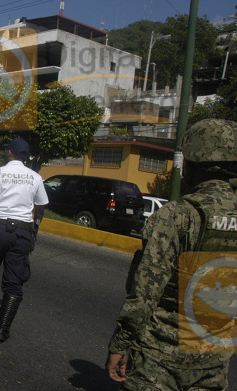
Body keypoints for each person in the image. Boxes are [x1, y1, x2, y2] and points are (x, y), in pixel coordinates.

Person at [106, 119, 237, 390]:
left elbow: (144, 293)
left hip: (161, 359)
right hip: (214, 360)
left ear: (193, 163)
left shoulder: (178, 216)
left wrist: (121, 343)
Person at [0, 137, 48, 342]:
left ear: (10, 152)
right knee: (14, 281)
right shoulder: (35, 177)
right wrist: (34, 227)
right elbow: (40, 207)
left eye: (7, 150)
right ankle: (2, 329)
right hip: (22, 232)